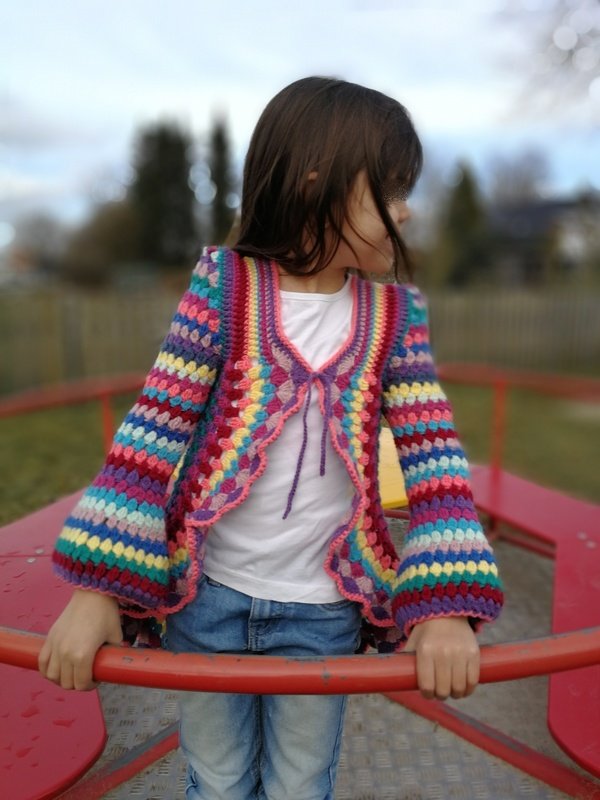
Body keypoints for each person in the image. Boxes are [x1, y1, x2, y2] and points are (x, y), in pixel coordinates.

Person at [39, 76, 503, 800]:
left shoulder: (394, 318)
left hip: (323, 612)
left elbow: (435, 461)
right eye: (390, 189)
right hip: (207, 600)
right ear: (318, 180)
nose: (406, 211)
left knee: (301, 784)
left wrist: (444, 607)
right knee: (218, 780)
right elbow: (151, 433)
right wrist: (99, 590)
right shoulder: (224, 290)